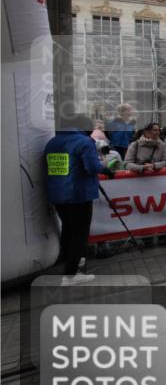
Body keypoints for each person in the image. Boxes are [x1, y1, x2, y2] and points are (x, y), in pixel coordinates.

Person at [44, 114, 108, 284]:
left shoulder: (52, 142)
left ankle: (66, 266)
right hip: (78, 193)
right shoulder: (84, 141)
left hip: (57, 194)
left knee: (68, 229)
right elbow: (92, 167)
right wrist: (104, 166)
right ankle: (71, 274)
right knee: (80, 233)